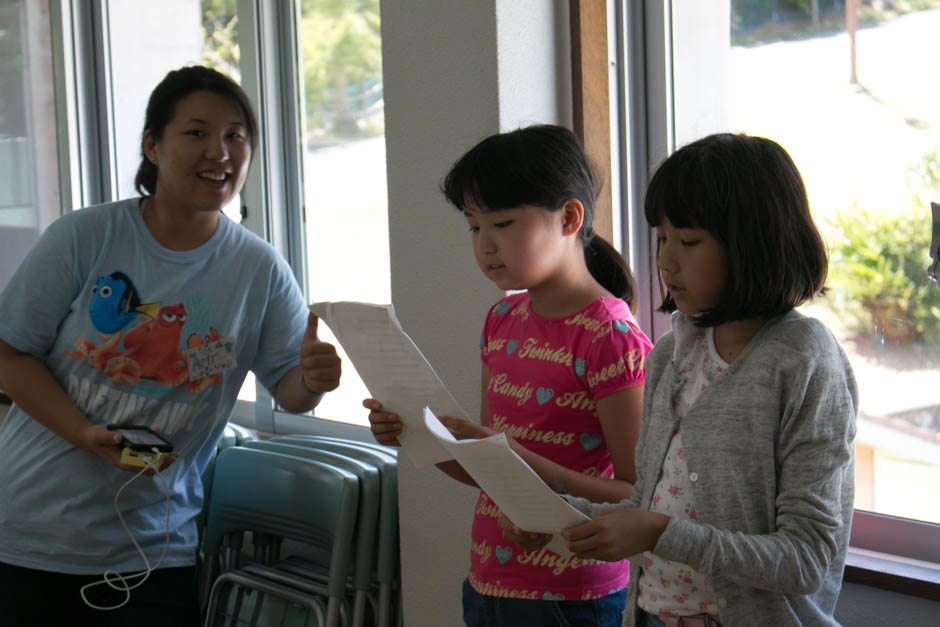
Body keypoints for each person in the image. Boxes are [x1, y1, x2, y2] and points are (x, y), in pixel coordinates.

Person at [0, 65, 342, 626]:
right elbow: (10, 354)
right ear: (152, 146)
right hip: (29, 537)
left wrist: (313, 378)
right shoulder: (85, 237)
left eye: (236, 135)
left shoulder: (259, 269)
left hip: (154, 549)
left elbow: (291, 391)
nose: (220, 151)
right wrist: (82, 433)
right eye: (196, 133)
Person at [553, 133, 857, 627]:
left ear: (753, 243)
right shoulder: (672, 354)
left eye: (689, 241)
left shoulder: (803, 360)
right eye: (662, 239)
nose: (666, 261)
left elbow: (807, 560)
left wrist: (657, 532)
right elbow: (646, 505)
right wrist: (561, 516)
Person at [364, 124, 653, 626]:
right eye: (475, 227)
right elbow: (487, 468)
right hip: (490, 579)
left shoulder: (609, 334)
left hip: (571, 592)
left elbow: (638, 493)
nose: (486, 245)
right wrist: (412, 431)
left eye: (503, 223)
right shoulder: (502, 319)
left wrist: (523, 463)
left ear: (568, 217)